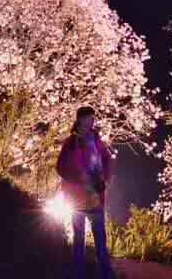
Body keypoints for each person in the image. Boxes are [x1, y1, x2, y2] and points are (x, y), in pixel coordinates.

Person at [56, 106, 116, 279]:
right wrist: (80, 178)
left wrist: (107, 179)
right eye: (90, 118)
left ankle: (106, 274)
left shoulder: (96, 139)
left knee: (101, 241)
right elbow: (61, 167)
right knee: (79, 240)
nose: (93, 121)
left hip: (96, 197)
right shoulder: (71, 143)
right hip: (78, 199)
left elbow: (107, 158)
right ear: (80, 119)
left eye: (93, 118)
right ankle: (80, 274)